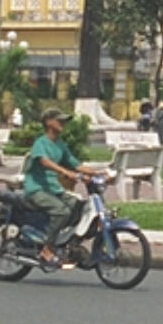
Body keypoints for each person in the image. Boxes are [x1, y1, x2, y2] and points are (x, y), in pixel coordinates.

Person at [22, 108, 101, 271]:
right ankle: (47, 249)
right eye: (60, 120)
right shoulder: (41, 143)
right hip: (37, 190)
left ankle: (65, 243)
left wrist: (101, 172)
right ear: (49, 122)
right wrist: (65, 172)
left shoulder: (60, 145)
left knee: (79, 206)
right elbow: (44, 161)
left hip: (53, 189)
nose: (63, 124)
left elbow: (76, 164)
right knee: (62, 212)